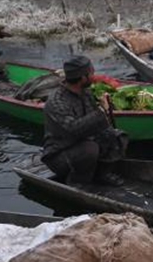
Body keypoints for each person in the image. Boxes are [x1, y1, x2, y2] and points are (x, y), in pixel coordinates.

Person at [41, 56, 128, 186]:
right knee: (89, 148)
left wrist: (107, 116)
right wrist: (101, 111)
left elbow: (96, 123)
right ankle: (77, 182)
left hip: (84, 142)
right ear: (82, 78)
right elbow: (74, 129)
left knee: (117, 136)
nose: (94, 76)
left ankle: (102, 174)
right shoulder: (57, 102)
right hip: (60, 154)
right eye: (91, 73)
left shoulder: (85, 93)